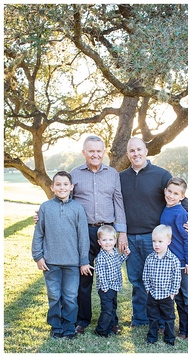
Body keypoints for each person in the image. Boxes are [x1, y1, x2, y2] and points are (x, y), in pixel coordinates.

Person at [119, 137, 188, 328]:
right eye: (132, 151)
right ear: (127, 154)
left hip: (154, 239)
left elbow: (181, 198)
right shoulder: (120, 177)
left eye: (139, 149)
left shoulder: (161, 175)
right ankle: (140, 319)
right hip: (130, 237)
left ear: (146, 151)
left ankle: (163, 320)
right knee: (137, 280)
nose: (136, 153)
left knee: (159, 280)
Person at [70, 135, 127, 334]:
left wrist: (122, 233)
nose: (95, 154)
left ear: (104, 152)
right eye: (91, 151)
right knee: (84, 278)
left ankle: (112, 321)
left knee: (111, 277)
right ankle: (82, 320)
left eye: (98, 151)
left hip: (108, 233)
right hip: (84, 231)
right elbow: (65, 202)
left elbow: (118, 202)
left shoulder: (113, 174)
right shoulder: (74, 174)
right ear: (84, 153)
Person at [31, 171, 90, 340]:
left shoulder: (78, 208)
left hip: (72, 262)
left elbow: (83, 236)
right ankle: (56, 326)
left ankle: (69, 326)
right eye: (58, 184)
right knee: (54, 295)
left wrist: (84, 260)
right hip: (50, 262)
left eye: (65, 184)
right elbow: (39, 234)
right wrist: (38, 256)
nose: (62, 187)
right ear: (52, 187)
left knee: (71, 296)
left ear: (71, 187)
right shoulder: (45, 207)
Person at [161, 177, 188, 340]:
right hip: (171, 264)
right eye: (169, 191)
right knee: (178, 298)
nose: (171, 195)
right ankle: (183, 329)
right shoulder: (166, 210)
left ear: (182, 197)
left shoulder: (180, 214)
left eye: (176, 193)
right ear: (165, 191)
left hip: (183, 265)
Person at [143, 225, 182, 346]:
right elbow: (145, 274)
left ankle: (169, 338)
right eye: (154, 241)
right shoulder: (150, 258)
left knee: (169, 318)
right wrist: (148, 289)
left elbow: (176, 278)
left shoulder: (173, 260)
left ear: (168, 241)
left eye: (160, 241)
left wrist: (172, 292)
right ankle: (152, 337)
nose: (157, 245)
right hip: (153, 294)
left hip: (166, 295)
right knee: (152, 317)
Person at [93, 225, 130, 337]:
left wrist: (125, 255)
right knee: (107, 310)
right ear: (99, 242)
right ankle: (101, 330)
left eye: (110, 240)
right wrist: (104, 287)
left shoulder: (114, 252)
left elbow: (118, 262)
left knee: (113, 307)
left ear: (115, 240)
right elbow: (101, 273)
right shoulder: (101, 257)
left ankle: (112, 325)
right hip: (106, 288)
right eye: (104, 240)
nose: (108, 243)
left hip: (114, 286)